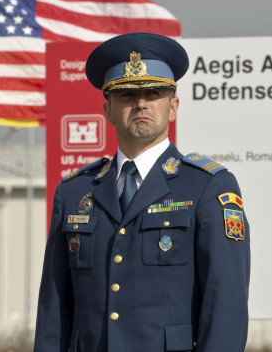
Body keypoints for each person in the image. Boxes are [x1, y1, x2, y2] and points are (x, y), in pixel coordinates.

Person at [34, 32, 250, 352]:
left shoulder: (207, 187)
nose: (141, 103)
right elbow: (54, 307)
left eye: (153, 93)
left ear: (173, 106)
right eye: (126, 95)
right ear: (107, 111)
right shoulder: (74, 192)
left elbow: (226, 304)